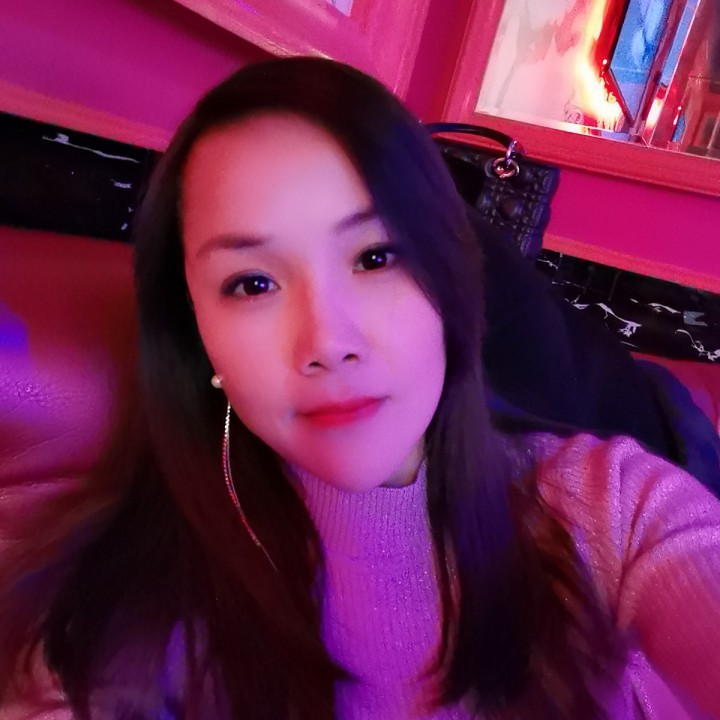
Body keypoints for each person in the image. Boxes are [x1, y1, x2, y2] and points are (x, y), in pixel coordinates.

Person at [1, 57, 719, 720]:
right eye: (252, 284)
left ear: (450, 280)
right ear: (197, 336)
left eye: (376, 257)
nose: (327, 342)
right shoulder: (128, 619)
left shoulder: (615, 508)